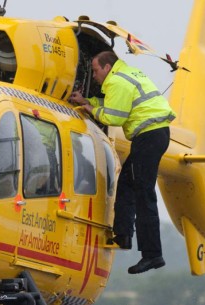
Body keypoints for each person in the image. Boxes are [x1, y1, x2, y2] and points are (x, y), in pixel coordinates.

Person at [69, 50, 176, 274]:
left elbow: (113, 117)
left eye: (96, 71)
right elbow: (115, 105)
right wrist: (88, 100)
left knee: (143, 192)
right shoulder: (126, 74)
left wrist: (88, 108)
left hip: (149, 135)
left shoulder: (117, 81)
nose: (95, 76)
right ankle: (123, 235)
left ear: (107, 68)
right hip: (153, 135)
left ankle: (152, 254)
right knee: (127, 183)